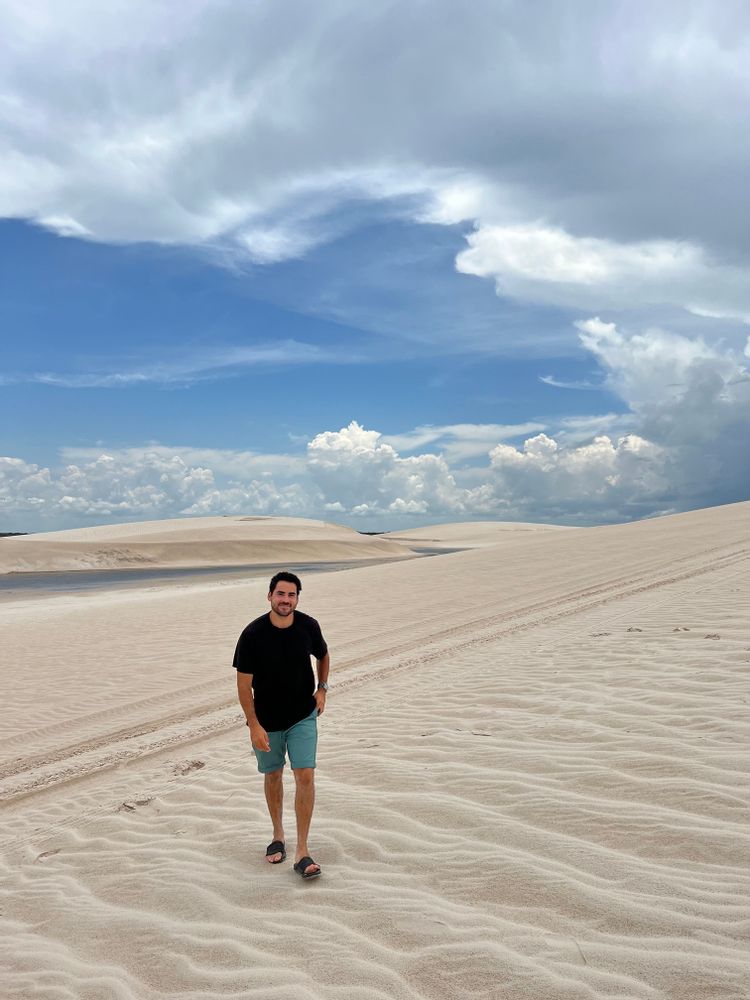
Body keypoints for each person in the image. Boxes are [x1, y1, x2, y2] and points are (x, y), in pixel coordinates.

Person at [233, 571, 329, 879]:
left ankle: (302, 850)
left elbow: (323, 655)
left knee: (305, 775)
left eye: (291, 595)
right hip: (267, 720)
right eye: (280, 594)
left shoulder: (308, 626)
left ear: (297, 598)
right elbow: (243, 685)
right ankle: (278, 835)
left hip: (303, 714)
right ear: (270, 596)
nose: (286, 600)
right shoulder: (252, 634)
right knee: (273, 775)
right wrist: (253, 725)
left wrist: (323, 688)